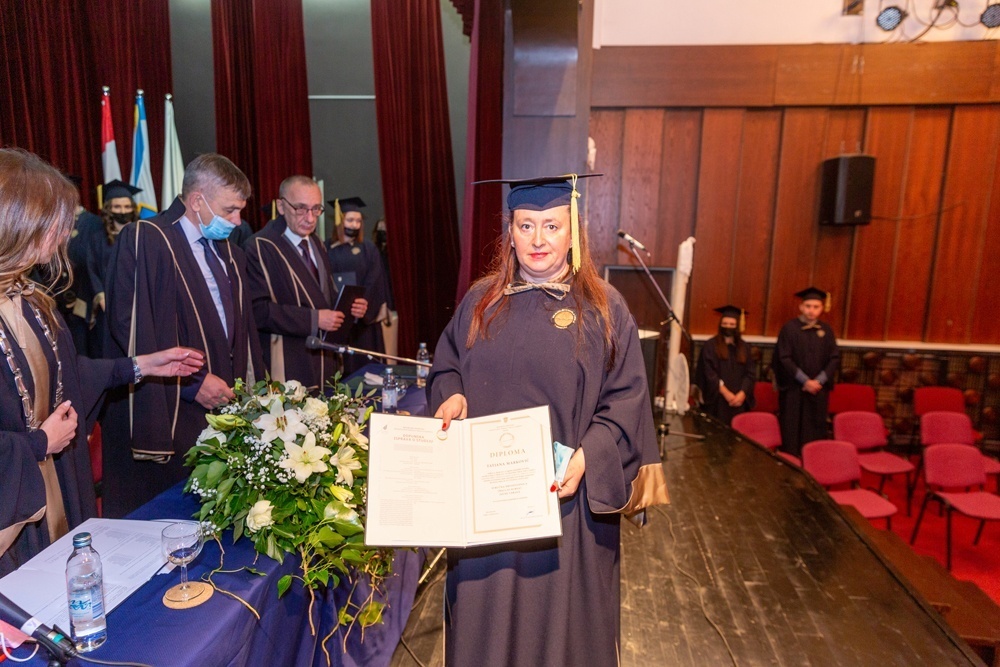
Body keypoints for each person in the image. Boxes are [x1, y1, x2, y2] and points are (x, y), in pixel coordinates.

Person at [427, 174, 668, 666]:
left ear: (572, 232)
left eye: (552, 226)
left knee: (562, 637)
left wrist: (587, 457)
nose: (538, 239)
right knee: (484, 629)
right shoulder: (480, 302)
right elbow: (447, 364)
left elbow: (626, 402)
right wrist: (450, 395)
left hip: (565, 509)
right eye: (526, 226)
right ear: (510, 233)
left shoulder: (602, 308)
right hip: (485, 510)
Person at [0, 149, 204, 575]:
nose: (66, 232)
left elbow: (68, 374)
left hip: (59, 485)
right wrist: (37, 444)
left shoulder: (32, 300)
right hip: (18, 518)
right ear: (18, 221)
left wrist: (141, 365)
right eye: (56, 220)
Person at [101, 153, 264, 517]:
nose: (237, 221)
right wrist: (192, 382)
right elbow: (129, 327)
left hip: (221, 400)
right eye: (230, 210)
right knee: (167, 520)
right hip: (170, 404)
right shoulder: (146, 238)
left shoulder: (230, 254)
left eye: (240, 211)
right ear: (197, 201)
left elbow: (243, 331)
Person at [245, 176, 367, 388]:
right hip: (288, 361)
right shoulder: (259, 246)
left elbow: (325, 296)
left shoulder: (317, 243)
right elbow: (257, 311)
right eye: (301, 209)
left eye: (316, 209)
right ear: (281, 206)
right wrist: (314, 319)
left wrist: (349, 308)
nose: (310, 218)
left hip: (324, 359)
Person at [771, 287, 840, 456]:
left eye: (816, 307)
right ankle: (791, 461)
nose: (811, 310)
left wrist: (818, 381)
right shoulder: (789, 329)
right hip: (794, 389)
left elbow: (834, 358)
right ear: (801, 307)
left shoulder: (826, 330)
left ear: (822, 308)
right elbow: (784, 358)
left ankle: (814, 461)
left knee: (815, 426)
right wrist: (805, 381)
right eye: (808, 306)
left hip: (817, 390)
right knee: (791, 427)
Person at [326, 197, 391, 375]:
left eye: (358, 221)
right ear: (340, 222)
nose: (354, 225)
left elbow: (375, 281)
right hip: (337, 320)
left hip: (363, 324)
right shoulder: (326, 248)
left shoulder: (368, 249)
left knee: (366, 370)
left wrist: (362, 306)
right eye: (350, 220)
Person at [86, 180, 141, 358]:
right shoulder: (97, 239)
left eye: (127, 206)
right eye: (117, 207)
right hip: (108, 307)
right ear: (109, 209)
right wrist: (102, 298)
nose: (123, 211)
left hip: (137, 304)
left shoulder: (143, 234)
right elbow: (92, 270)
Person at [695, 305, 756, 425]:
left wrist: (742, 393)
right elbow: (709, 373)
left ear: (737, 326)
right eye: (725, 323)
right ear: (720, 325)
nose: (728, 327)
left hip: (739, 401)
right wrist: (726, 393)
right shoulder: (710, 346)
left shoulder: (745, 347)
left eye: (732, 324)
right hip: (717, 400)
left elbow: (750, 374)